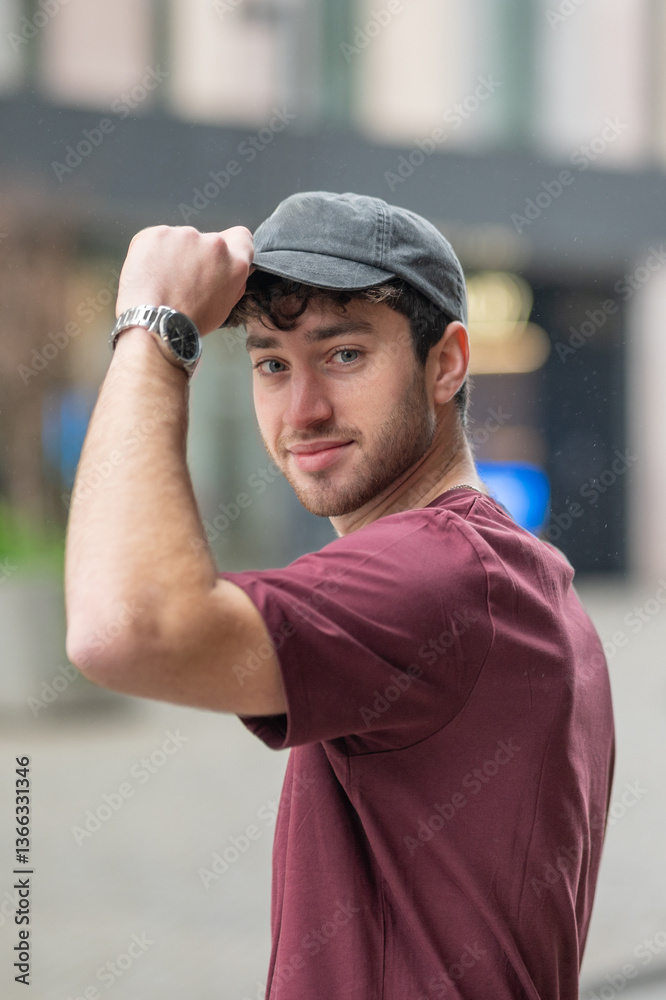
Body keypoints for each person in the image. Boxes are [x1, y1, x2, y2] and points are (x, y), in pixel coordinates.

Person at [64, 191, 615, 1000]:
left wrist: (154, 332)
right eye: (271, 364)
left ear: (447, 363)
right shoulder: (516, 570)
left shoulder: (438, 573)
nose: (303, 410)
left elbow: (123, 628)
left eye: (344, 354)